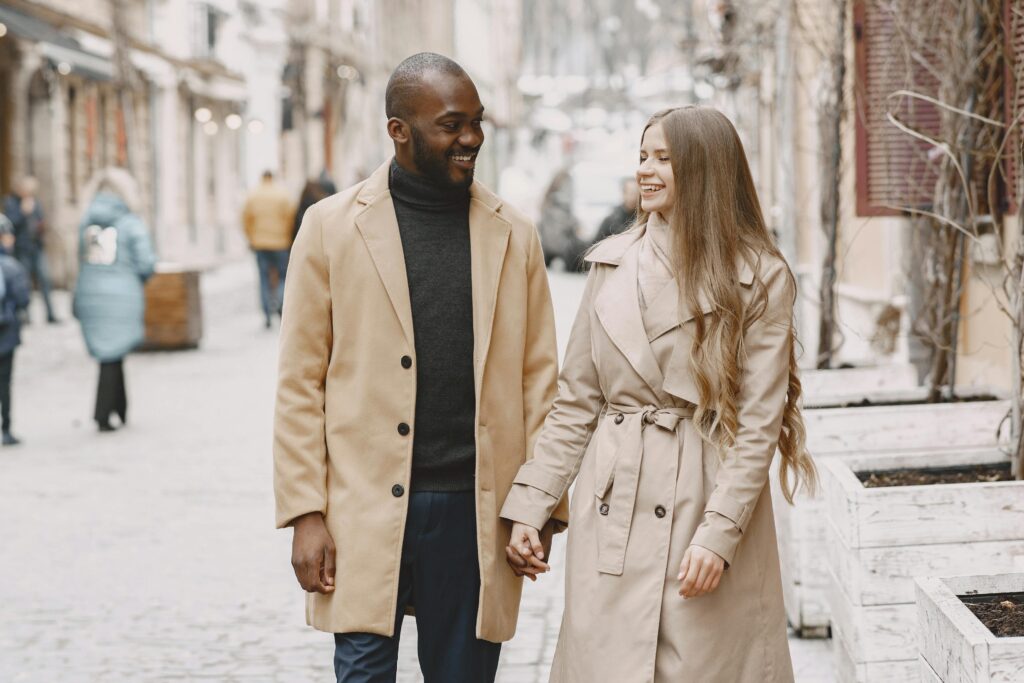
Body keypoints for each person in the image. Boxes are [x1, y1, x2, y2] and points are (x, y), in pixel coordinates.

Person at [273, 52, 565, 683]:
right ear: (398, 131)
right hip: (360, 508)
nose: (471, 140)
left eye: (477, 123)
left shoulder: (514, 234)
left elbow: (541, 384)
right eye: (452, 125)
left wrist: (540, 507)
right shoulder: (329, 228)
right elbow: (300, 383)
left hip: (475, 512)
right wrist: (305, 513)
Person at [500, 106, 818, 682]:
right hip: (614, 509)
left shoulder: (760, 275)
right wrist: (532, 504)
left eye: (664, 159)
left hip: (705, 496)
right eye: (643, 157)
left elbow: (757, 426)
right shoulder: (610, 264)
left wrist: (719, 534)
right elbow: (577, 400)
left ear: (704, 169)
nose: (646, 171)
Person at [72, 168, 156, 433]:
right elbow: (146, 263)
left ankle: (119, 407)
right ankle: (103, 413)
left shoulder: (87, 223)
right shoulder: (130, 224)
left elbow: (78, 257)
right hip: (123, 294)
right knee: (112, 352)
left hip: (89, 293)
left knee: (111, 354)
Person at [242, 170, 294, 328]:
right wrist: (287, 236)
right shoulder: (282, 194)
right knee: (283, 277)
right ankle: (279, 303)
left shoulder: (253, 194)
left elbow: (245, 218)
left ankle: (266, 313)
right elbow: (290, 217)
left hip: (260, 243)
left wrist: (251, 237)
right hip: (280, 243)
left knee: (264, 279)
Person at [4, 176, 57, 323]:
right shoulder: (11, 202)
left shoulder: (35, 202)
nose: (29, 192)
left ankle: (50, 314)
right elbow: (10, 225)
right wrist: (22, 212)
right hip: (22, 249)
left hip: (37, 247)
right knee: (24, 283)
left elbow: (40, 219)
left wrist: (42, 226)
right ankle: (25, 315)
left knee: (45, 280)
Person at [0, 215, 30, 446]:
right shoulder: (11, 267)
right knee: (4, 383)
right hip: (6, 334)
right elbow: (23, 300)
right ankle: (6, 429)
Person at [592, 177, 639, 243]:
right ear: (623, 193)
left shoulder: (645, 219)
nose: (632, 197)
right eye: (630, 192)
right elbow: (595, 244)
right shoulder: (610, 221)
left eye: (636, 193)